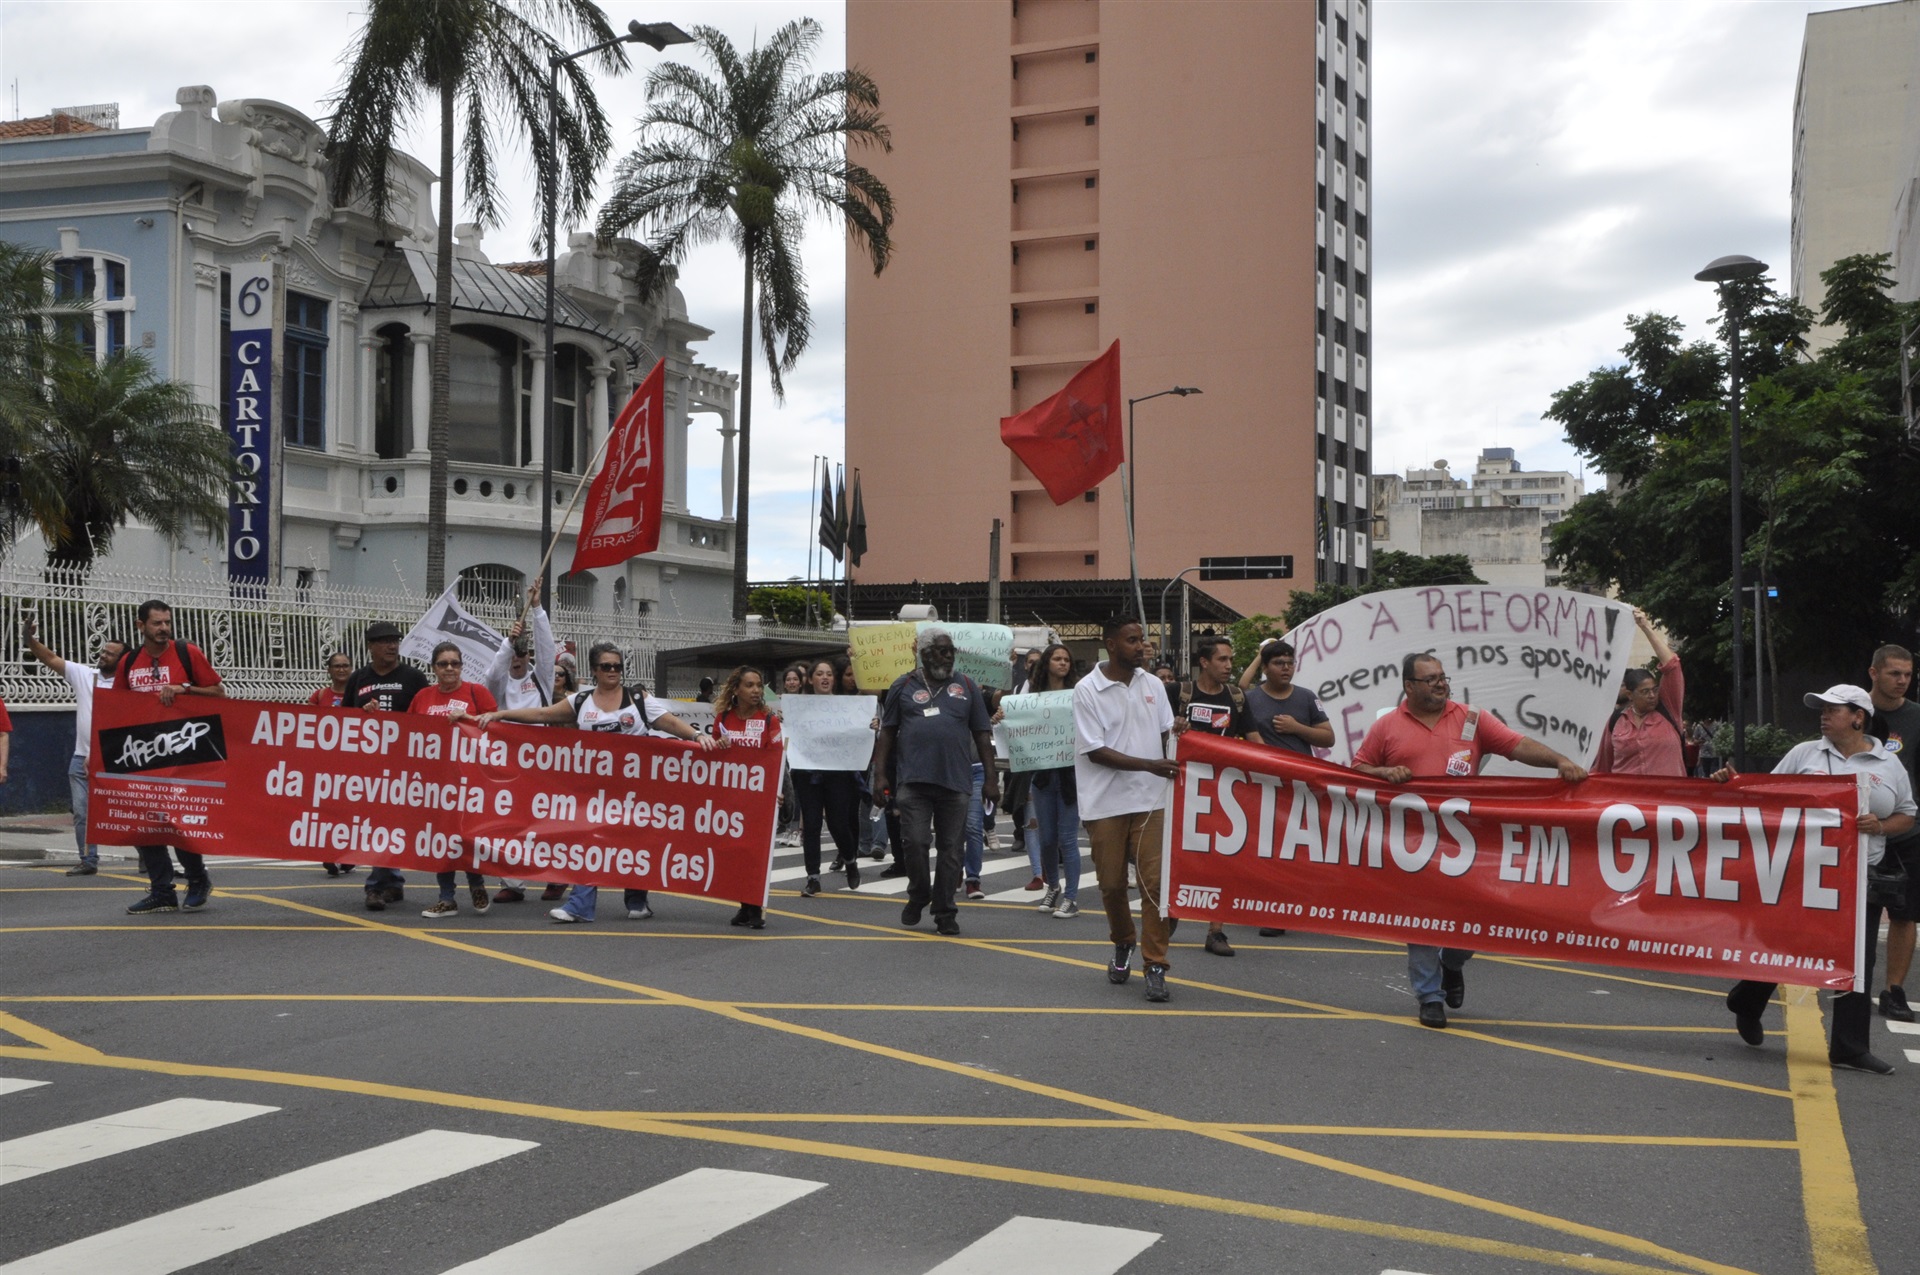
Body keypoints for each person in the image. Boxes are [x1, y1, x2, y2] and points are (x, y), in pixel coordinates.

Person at [1351, 652, 1588, 1028]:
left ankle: (1452, 963)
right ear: (1409, 686)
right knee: (1422, 921)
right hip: (1413, 843)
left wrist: (1559, 761)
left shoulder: (1471, 718)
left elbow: (1516, 744)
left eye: (1443, 677)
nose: (1441, 684)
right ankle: (1429, 997)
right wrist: (1383, 771)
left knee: (1479, 917)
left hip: (1466, 843)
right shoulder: (1387, 726)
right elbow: (1358, 769)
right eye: (1430, 679)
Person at [1715, 684, 1913, 1074]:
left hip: (1860, 874)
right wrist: (1735, 782)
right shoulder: (1805, 753)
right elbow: (1767, 794)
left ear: (1858, 717)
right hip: (1804, 870)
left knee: (1858, 956)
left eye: (1832, 709)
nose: (1822, 715)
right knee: (1788, 942)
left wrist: (1881, 825)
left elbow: (1907, 813)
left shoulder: (1888, 764)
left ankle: (1849, 1048)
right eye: (1820, 709)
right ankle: (1748, 1000)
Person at [476, 642, 721, 923]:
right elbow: (543, 715)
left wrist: (697, 736)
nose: (613, 671)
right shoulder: (581, 701)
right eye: (606, 666)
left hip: (634, 792)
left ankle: (637, 901)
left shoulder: (637, 699)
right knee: (587, 841)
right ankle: (580, 905)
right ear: (594, 670)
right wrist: (500, 715)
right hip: (592, 792)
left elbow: (670, 723)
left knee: (633, 844)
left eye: (617, 666)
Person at [1075, 617, 1180, 1003]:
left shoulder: (1153, 685)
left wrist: (1177, 734)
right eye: (1132, 640)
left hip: (1152, 799)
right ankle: (1123, 942)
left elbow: (1167, 732)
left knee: (1154, 886)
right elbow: (1096, 751)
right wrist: (1149, 763)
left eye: (1143, 640)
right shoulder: (1087, 689)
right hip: (1105, 803)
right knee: (1113, 885)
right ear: (1111, 645)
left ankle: (1155, 965)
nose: (1141, 647)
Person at [873, 626, 997, 937]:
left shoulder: (966, 685)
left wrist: (991, 779)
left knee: (952, 849)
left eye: (950, 651)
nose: (947, 656)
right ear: (925, 654)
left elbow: (983, 734)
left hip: (956, 782)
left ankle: (945, 911)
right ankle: (918, 894)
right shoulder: (902, 685)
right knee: (915, 842)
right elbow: (887, 731)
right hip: (913, 782)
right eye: (941, 651)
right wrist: (880, 774)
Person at [112, 599, 227, 915]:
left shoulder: (187, 653)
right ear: (141, 626)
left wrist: (183, 688)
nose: (164, 629)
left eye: (167, 623)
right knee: (146, 824)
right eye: (157, 624)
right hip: (142, 754)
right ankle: (162, 890)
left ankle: (197, 879)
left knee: (177, 821)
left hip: (184, 751)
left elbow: (219, 692)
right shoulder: (129, 662)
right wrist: (100, 755)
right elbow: (117, 709)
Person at [1169, 636, 1268, 957]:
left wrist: (1282, 766)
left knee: (1221, 863)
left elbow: (1254, 741)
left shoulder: (1236, 697)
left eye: (1230, 660)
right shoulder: (1180, 693)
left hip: (1224, 794)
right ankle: (1170, 913)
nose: (1228, 666)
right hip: (1180, 792)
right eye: (1222, 660)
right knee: (1177, 858)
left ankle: (1216, 931)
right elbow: (1154, 733)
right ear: (1204, 662)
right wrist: (1173, 728)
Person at [23, 619, 126, 877]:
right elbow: (50, 658)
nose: (103, 656)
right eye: (103, 651)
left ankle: (149, 856)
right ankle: (88, 859)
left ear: (121, 661)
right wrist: (28, 639)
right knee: (82, 812)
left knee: (128, 809)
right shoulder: (85, 675)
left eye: (110, 654)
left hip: (116, 758)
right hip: (81, 757)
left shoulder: (128, 687)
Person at [344, 620, 431, 912]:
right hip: (369, 766)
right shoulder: (358, 678)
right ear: (371, 646)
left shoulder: (414, 678)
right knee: (379, 823)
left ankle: (379, 885)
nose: (392, 646)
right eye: (385, 641)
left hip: (404, 765)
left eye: (395, 640)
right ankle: (387, 882)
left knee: (390, 823)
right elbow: (344, 719)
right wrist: (362, 712)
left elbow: (427, 717)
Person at [408, 642, 499, 918]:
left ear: (461, 666)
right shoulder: (422, 697)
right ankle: (446, 898)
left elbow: (495, 727)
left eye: (455, 663)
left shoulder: (476, 692)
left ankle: (477, 884)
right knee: (441, 838)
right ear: (434, 668)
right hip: (435, 782)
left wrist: (468, 718)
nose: (449, 668)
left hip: (470, 780)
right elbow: (408, 733)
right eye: (443, 663)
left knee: (468, 835)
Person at [482, 583, 555, 904]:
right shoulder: (497, 686)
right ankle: (513, 883)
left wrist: (537, 609)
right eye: (514, 653)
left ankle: (557, 878)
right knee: (510, 821)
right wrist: (507, 643)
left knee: (548, 821)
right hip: (507, 762)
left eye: (523, 652)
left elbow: (548, 649)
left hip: (542, 762)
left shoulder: (541, 678)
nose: (517, 658)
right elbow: (492, 673)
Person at [1866, 645, 1920, 1023]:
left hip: (1906, 833)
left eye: (1907, 674)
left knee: (1905, 914)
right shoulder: (1853, 712)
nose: (1902, 681)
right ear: (1874, 673)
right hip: (1856, 834)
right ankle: (1849, 982)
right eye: (1894, 673)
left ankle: (1894, 990)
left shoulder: (1917, 717)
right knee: (1855, 913)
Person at [711, 666, 781, 928]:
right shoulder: (723, 718)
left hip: (758, 800)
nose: (756, 690)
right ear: (736, 690)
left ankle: (755, 909)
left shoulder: (768, 721)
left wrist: (778, 792)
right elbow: (714, 756)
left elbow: (776, 760)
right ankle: (744, 906)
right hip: (730, 799)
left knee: (755, 856)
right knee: (735, 855)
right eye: (750, 685)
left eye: (759, 685)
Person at [789, 657, 863, 895]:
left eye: (829, 674)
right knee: (811, 824)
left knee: (838, 823)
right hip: (807, 773)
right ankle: (813, 877)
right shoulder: (798, 707)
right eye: (819, 674)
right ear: (810, 680)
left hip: (837, 774)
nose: (825, 678)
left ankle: (850, 861)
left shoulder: (847, 706)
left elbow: (859, 733)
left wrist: (871, 725)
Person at [1023, 643, 1083, 919]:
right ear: (1046, 663)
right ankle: (1053, 887)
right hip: (1043, 774)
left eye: (1066, 659)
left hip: (1070, 774)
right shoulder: (1031, 694)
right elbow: (1019, 725)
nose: (1063, 663)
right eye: (1057, 658)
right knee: (1047, 838)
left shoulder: (1079, 694)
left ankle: (1071, 897)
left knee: (1067, 838)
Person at [1593, 609, 1686, 777]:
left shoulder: (1669, 710)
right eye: (1644, 692)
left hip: (1666, 799)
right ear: (1630, 695)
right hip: (1627, 801)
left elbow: (1672, 665)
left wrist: (1645, 627)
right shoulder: (1616, 722)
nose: (1652, 695)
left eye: (1654, 690)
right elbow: (1602, 768)